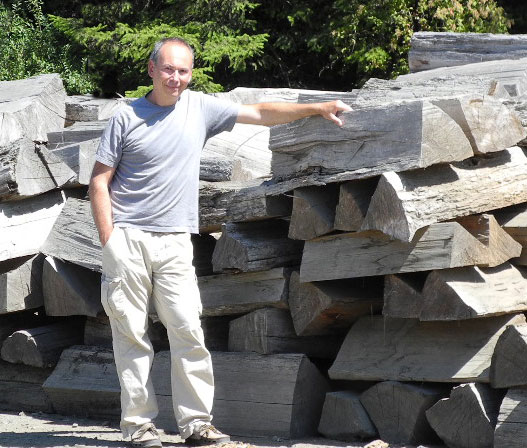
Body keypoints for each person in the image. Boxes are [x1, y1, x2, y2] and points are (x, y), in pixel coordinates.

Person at [89, 36, 351, 448]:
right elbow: (99, 182)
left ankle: (196, 426)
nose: (176, 78)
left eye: (184, 70)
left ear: (190, 73)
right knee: (131, 335)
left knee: (189, 331)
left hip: (176, 241)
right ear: (152, 69)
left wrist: (317, 108)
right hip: (129, 239)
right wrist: (110, 241)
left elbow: (261, 112)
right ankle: (138, 427)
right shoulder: (126, 116)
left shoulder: (201, 108)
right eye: (169, 69)